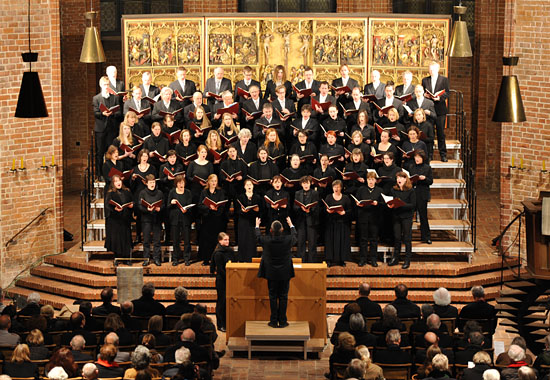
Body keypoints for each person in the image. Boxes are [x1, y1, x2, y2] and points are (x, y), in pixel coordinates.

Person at [256, 216, 297, 328]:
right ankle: (283, 321)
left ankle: (273, 321)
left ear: (270, 230)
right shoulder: (288, 240)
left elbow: (258, 237)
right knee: (283, 296)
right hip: (284, 273)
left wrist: (257, 226)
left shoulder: (266, 240)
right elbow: (295, 236)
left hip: (271, 273)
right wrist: (291, 224)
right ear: (282, 230)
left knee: (273, 296)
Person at [93, 76, 122, 177]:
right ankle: (99, 174)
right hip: (100, 129)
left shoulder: (114, 97)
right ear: (101, 85)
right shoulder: (96, 98)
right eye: (104, 85)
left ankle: (111, 173)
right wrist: (103, 114)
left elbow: (119, 112)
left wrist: (112, 113)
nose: (106, 87)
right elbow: (96, 113)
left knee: (111, 151)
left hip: (111, 129)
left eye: (108, 85)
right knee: (100, 152)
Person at [421, 61, 450, 162]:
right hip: (429, 109)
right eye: (430, 69)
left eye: (433, 69)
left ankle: (443, 154)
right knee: (430, 133)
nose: (431, 71)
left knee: (441, 133)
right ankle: (429, 155)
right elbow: (423, 92)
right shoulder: (425, 80)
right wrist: (425, 95)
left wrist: (439, 98)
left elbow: (447, 93)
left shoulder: (444, 80)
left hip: (440, 109)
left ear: (438, 69)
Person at [387, 172, 416, 269]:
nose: (399, 180)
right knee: (397, 237)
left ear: (405, 179)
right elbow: (391, 201)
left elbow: (413, 205)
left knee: (407, 239)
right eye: (397, 178)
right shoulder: (393, 190)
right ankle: (395, 258)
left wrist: (402, 204)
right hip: (396, 216)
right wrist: (390, 205)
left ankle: (407, 259)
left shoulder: (411, 191)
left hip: (407, 217)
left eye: (401, 178)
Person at [197, 174, 227, 266]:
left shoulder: (220, 192)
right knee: (206, 240)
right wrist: (209, 208)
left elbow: (223, 204)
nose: (214, 183)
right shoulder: (204, 192)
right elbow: (200, 205)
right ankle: (206, 259)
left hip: (217, 219)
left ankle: (217, 260)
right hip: (207, 219)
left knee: (216, 240)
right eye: (212, 181)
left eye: (215, 181)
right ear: (208, 182)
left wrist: (216, 208)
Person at [104, 174, 134, 265]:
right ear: (113, 183)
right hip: (115, 220)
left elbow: (132, 202)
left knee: (126, 238)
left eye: (119, 180)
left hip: (125, 219)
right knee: (116, 239)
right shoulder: (110, 193)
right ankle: (117, 258)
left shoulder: (127, 191)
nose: (118, 183)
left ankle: (126, 258)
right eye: (116, 181)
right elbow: (107, 207)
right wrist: (115, 209)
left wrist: (132, 206)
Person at [355, 171, 383, 266]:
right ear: (366, 180)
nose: (371, 181)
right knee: (363, 239)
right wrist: (358, 204)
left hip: (374, 218)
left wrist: (377, 203)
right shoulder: (361, 189)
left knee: (374, 239)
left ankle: (373, 259)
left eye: (372, 179)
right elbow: (357, 201)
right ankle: (362, 259)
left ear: (375, 180)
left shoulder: (379, 190)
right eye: (369, 179)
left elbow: (384, 204)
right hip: (363, 217)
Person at [131, 149, 157, 244]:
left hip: (149, 194)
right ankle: (138, 236)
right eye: (143, 156)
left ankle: (150, 236)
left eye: (146, 156)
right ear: (139, 157)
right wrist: (133, 179)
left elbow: (155, 181)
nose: (144, 158)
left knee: (149, 216)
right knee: (139, 216)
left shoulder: (152, 168)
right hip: (138, 194)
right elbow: (132, 186)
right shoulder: (135, 169)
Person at [324, 180, 352, 267]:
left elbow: (350, 211)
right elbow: (324, 210)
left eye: (338, 187)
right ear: (332, 188)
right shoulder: (328, 197)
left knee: (342, 242)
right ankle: (329, 260)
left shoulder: (345, 198)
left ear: (341, 188)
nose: (336, 188)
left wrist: (345, 213)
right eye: (335, 187)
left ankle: (341, 260)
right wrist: (327, 211)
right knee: (330, 242)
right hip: (331, 223)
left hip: (342, 223)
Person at [210, 232, 234, 332]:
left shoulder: (230, 250)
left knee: (227, 302)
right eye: (225, 240)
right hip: (222, 280)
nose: (227, 241)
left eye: (228, 240)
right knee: (221, 302)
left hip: (230, 279)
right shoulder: (218, 253)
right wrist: (228, 278)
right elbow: (220, 269)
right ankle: (220, 324)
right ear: (220, 241)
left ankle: (228, 322)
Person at [138, 174, 164, 266]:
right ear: (146, 183)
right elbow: (140, 206)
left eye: (153, 182)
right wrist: (147, 209)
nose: (152, 184)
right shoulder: (143, 193)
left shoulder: (159, 193)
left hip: (156, 219)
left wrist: (159, 209)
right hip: (146, 219)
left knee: (157, 240)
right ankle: (146, 258)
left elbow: (163, 205)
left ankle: (157, 258)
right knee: (146, 240)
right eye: (150, 182)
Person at [168, 175, 193, 266]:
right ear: (176, 184)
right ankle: (176, 259)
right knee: (175, 240)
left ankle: (187, 258)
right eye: (179, 183)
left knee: (187, 240)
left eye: (182, 182)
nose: (181, 184)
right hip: (175, 219)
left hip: (185, 218)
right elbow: (168, 206)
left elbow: (190, 205)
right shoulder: (172, 192)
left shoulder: (188, 192)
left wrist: (186, 209)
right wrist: (171, 203)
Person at [293, 176, 319, 263]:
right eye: (304, 183)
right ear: (301, 184)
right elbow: (295, 206)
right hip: (301, 220)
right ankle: (301, 262)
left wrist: (310, 209)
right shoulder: (297, 193)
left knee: (312, 243)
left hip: (311, 220)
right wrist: (301, 208)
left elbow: (317, 206)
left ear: (310, 183)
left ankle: (312, 263)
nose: (306, 185)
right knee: (301, 242)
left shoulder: (315, 193)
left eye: (307, 183)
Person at [410, 150, 433, 244]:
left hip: (422, 193)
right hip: (413, 193)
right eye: (416, 157)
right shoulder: (411, 167)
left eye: (419, 157)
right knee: (409, 216)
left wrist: (425, 178)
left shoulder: (427, 168)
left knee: (423, 216)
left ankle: (426, 237)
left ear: (423, 158)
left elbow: (430, 181)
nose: (417, 159)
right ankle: (407, 236)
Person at [236, 179, 261, 262]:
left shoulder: (257, 197)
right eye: (247, 185)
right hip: (243, 221)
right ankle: (242, 259)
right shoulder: (240, 197)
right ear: (244, 187)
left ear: (253, 186)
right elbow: (237, 211)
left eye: (250, 184)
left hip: (253, 221)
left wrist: (257, 210)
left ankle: (251, 259)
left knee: (252, 241)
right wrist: (242, 211)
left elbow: (261, 210)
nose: (249, 186)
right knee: (243, 240)